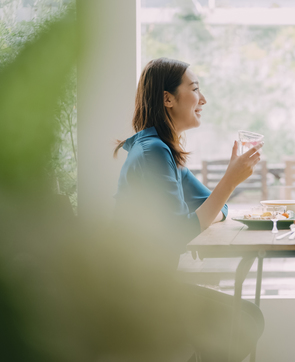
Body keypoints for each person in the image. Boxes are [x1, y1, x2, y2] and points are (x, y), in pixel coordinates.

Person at [113, 58, 264, 362]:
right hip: (138, 294)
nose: (203, 99)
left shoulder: (161, 149)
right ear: (167, 98)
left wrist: (223, 191)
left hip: (154, 286)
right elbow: (183, 231)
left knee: (246, 319)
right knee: (244, 323)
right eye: (195, 89)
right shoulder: (153, 151)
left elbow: (216, 207)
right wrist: (230, 180)